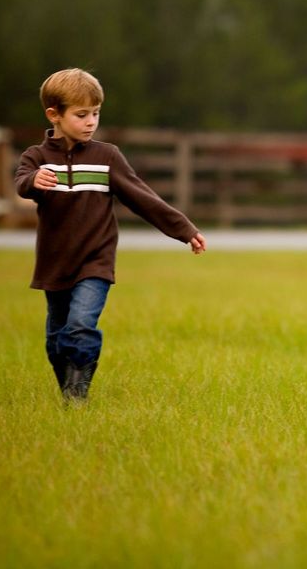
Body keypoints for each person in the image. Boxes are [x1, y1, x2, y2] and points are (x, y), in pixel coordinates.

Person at [15, 68, 206, 403]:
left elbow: (143, 197)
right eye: (82, 114)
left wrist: (184, 230)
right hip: (55, 263)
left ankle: (78, 395)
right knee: (57, 337)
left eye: (96, 114)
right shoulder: (37, 158)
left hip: (95, 261)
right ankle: (68, 391)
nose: (91, 122)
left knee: (81, 325)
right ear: (54, 115)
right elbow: (21, 182)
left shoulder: (107, 158)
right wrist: (33, 181)